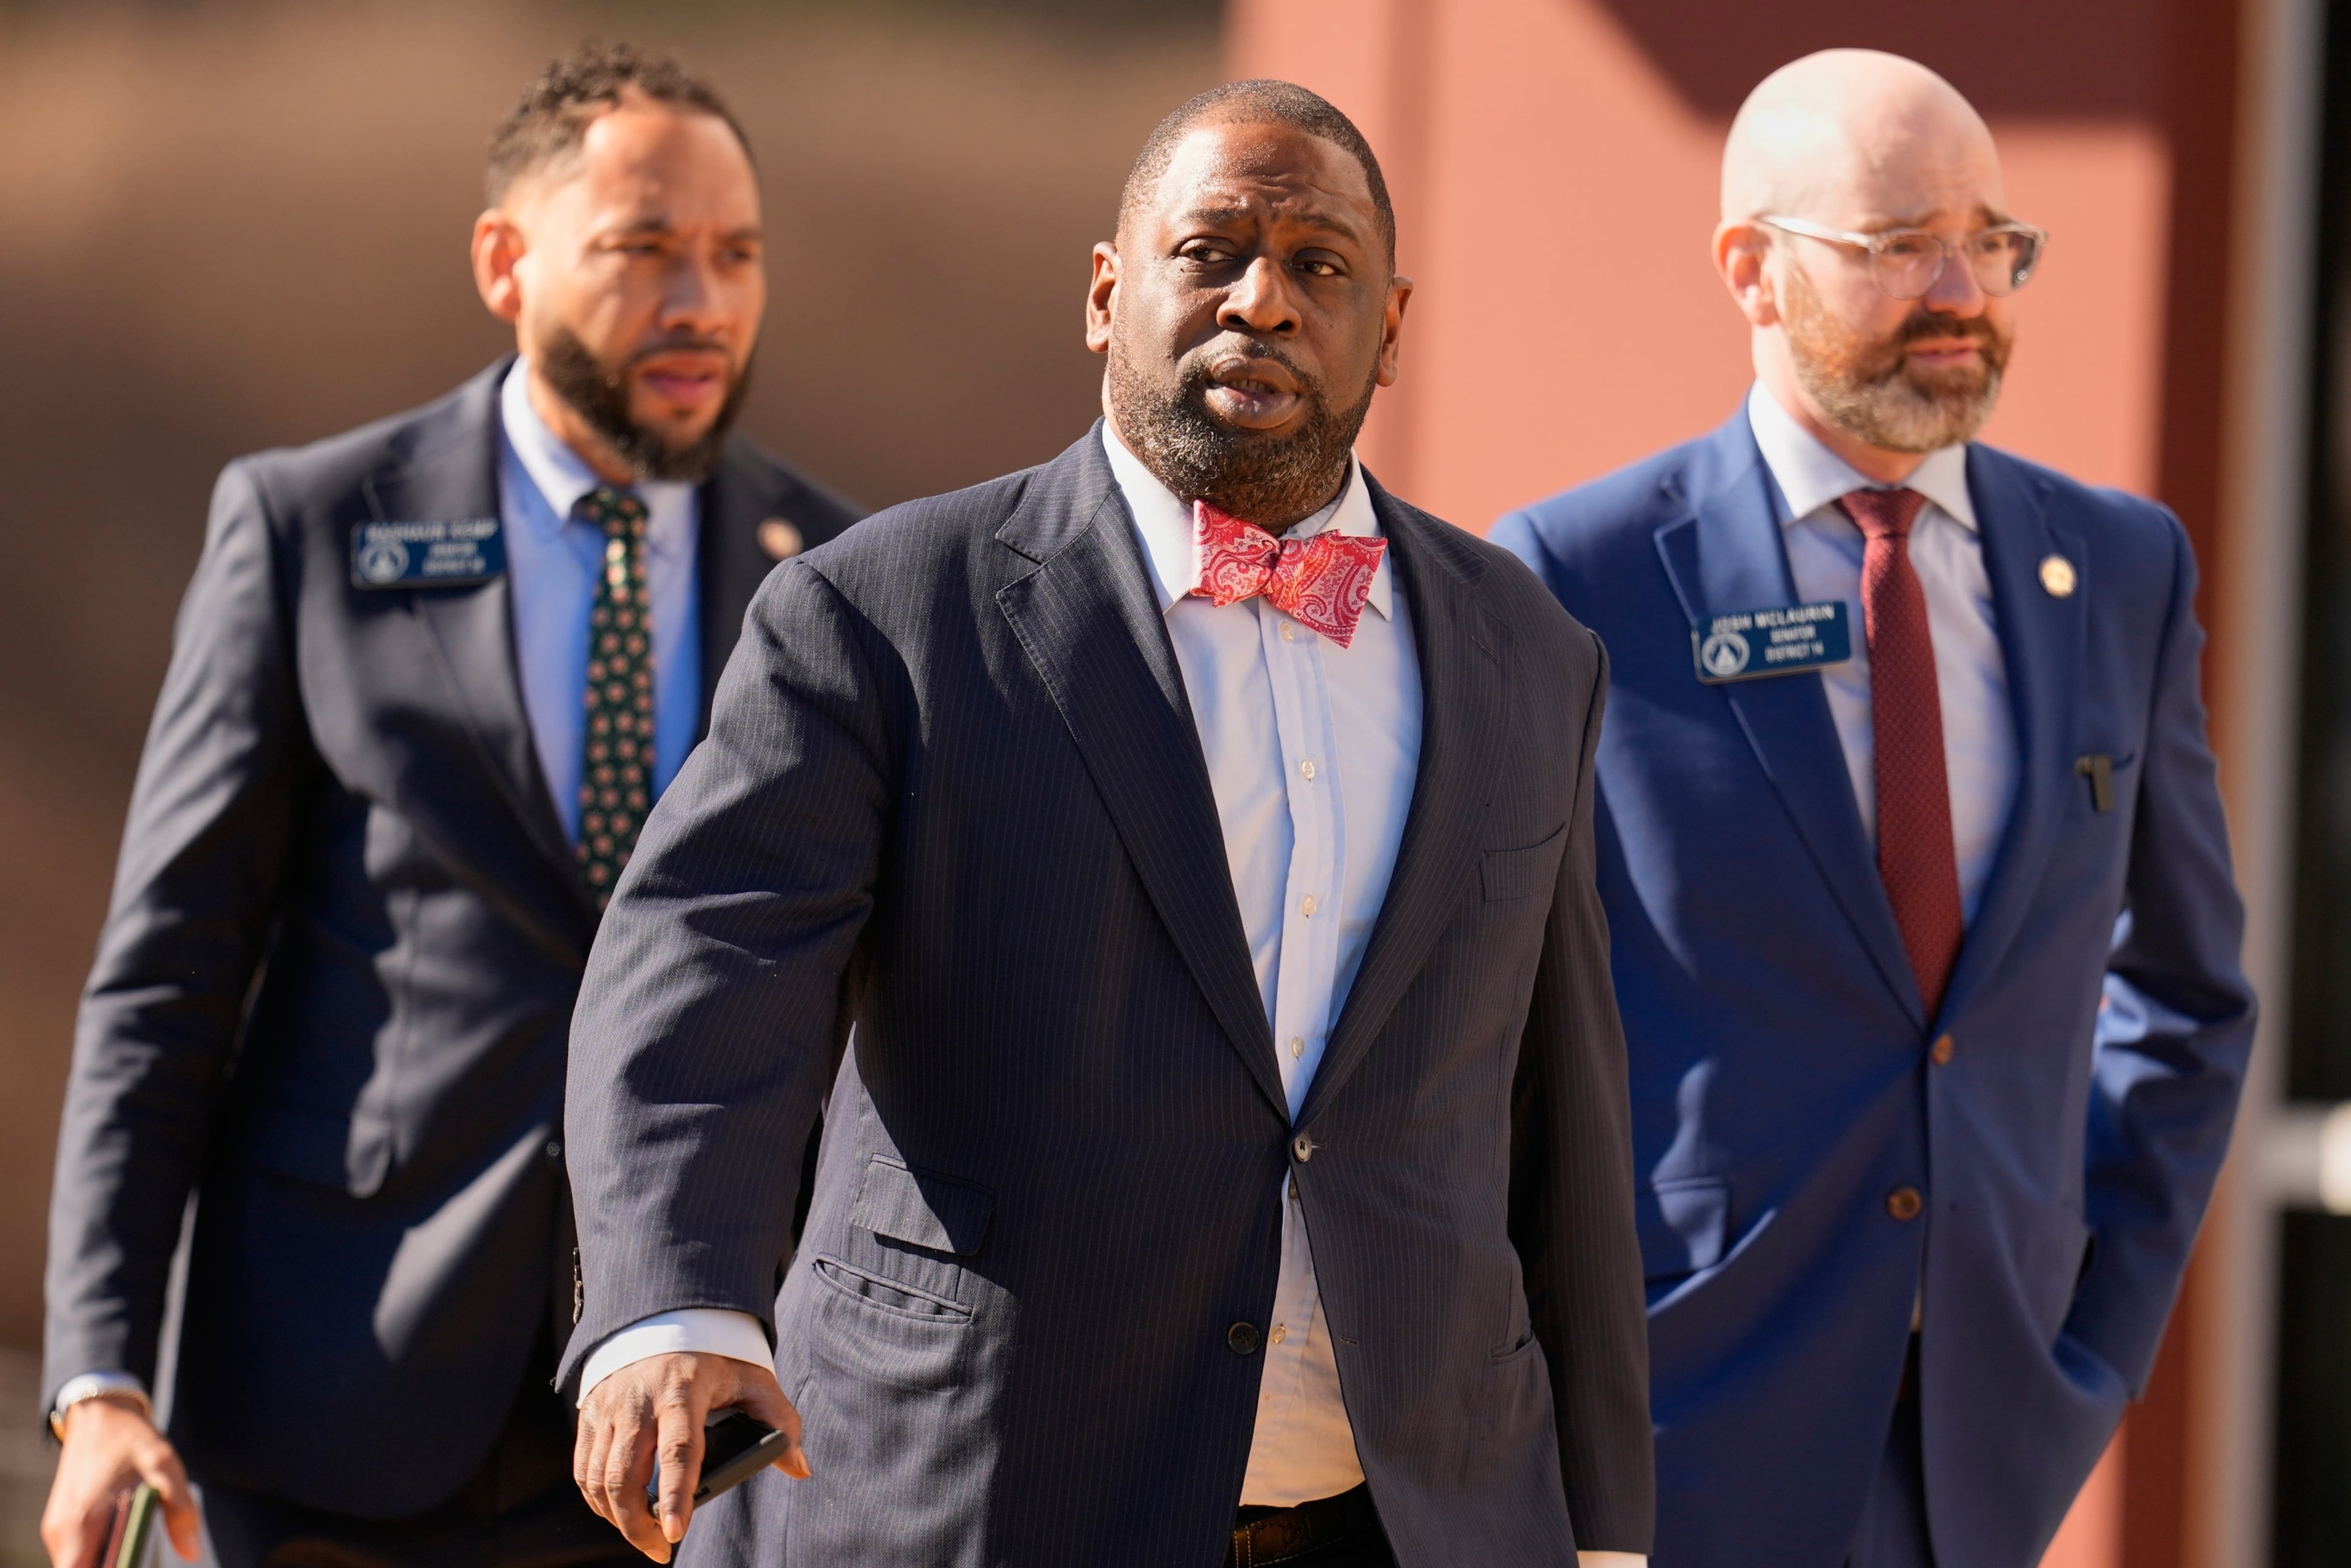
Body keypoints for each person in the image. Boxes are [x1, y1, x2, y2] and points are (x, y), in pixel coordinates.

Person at [559, 79, 1654, 1568]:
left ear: (1392, 326)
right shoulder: (879, 611)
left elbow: (1558, 1111)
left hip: (1418, 1518)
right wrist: (673, 1302)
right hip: (989, 1494)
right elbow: (704, 970)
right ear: (1105, 294)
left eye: (1319, 268)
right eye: (1210, 252)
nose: (1262, 301)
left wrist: (1600, 1528)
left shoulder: (1530, 652)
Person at [39, 42, 860, 1568]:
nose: (702, 303)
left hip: (683, 1453)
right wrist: (99, 1376)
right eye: (643, 252)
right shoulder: (312, 531)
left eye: (737, 255)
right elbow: (166, 980)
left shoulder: (833, 581)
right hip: (328, 1411)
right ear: (507, 260)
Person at [1493, 48, 2255, 1568]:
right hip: (1671, 1436)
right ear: (1751, 271)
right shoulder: (1573, 579)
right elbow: (1484, 1031)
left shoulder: (2120, 569)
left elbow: (2184, 996)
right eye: (1901, 245)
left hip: (1985, 1447)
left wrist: (2086, 1345)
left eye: (1992, 241)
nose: (1964, 288)